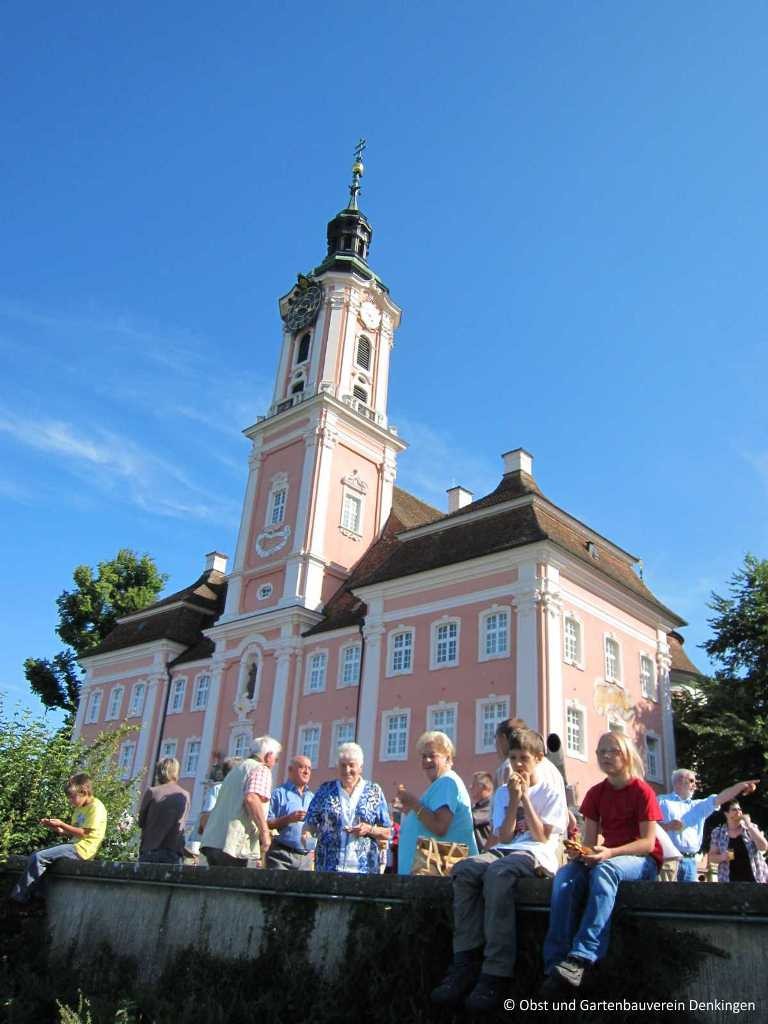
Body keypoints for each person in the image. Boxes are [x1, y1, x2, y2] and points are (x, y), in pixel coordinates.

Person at [432, 729, 568, 1012]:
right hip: (506, 850)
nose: (517, 764)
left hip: (536, 854)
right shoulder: (505, 792)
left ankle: (496, 970)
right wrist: (514, 800)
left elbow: (542, 836)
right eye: (513, 758)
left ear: (539, 759)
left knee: (498, 875)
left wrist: (527, 799)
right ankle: (465, 958)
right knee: (466, 869)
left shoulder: (552, 792)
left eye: (524, 759)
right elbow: (504, 836)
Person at [541, 733, 663, 992]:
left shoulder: (643, 791)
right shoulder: (596, 793)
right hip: (608, 855)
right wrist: (581, 853)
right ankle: (555, 962)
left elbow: (648, 844)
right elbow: (588, 841)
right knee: (566, 876)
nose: (606, 756)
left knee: (605, 870)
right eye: (601, 752)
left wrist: (608, 853)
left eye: (613, 751)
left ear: (626, 755)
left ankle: (583, 955)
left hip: (641, 861)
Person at [10, 773, 107, 906]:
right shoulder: (79, 808)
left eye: (72, 797)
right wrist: (55, 828)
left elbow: (84, 833)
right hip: (74, 845)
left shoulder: (96, 807)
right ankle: (39, 897)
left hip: (83, 849)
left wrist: (61, 823)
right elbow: (71, 834)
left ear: (84, 792)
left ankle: (19, 897)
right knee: (37, 857)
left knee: (39, 857)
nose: (70, 801)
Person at [397, 731, 478, 875]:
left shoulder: (447, 782)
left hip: (438, 872)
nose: (427, 760)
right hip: (430, 871)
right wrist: (411, 812)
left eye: (432, 755)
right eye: (423, 756)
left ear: (448, 757)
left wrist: (414, 803)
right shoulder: (443, 783)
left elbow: (440, 826)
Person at [302, 742, 390, 873]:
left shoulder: (374, 791)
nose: (347, 770)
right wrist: (306, 838)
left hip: (364, 869)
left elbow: (387, 832)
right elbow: (309, 824)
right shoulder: (325, 790)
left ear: (360, 767)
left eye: (351, 765)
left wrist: (369, 829)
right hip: (328, 867)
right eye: (343, 765)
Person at [657, 770, 758, 881]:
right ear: (678, 782)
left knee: (691, 898)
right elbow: (649, 826)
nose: (695, 785)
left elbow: (721, 798)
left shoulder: (698, 806)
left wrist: (739, 787)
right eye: (691, 781)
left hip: (690, 862)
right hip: (669, 861)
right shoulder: (661, 801)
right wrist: (667, 827)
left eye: (695, 782)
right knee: (667, 897)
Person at [200, 736, 280, 867]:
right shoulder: (261, 769)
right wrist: (265, 832)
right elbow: (252, 798)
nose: (275, 763)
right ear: (268, 756)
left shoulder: (238, 768)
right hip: (232, 843)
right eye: (276, 759)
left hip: (213, 840)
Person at [137, 758, 190, 865]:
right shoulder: (185, 795)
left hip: (150, 850)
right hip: (174, 852)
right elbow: (181, 826)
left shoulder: (152, 792)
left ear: (159, 772)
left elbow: (141, 821)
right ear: (176, 772)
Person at [266, 755, 314, 870]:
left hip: (305, 857)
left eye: (309, 768)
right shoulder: (279, 794)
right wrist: (289, 819)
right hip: (281, 855)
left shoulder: (313, 797)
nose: (306, 771)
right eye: (302, 767)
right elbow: (267, 823)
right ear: (290, 770)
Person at [708, 800, 768, 883]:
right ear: (726, 813)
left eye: (739, 809)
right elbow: (711, 857)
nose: (738, 812)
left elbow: (763, 847)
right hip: (729, 880)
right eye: (734, 810)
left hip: (755, 878)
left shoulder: (751, 828)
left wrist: (749, 826)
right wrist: (723, 857)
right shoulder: (718, 832)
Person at [470, 771, 494, 851]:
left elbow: (470, 819)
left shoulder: (491, 805)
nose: (470, 787)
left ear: (484, 787)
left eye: (474, 785)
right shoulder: (478, 806)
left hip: (488, 855)